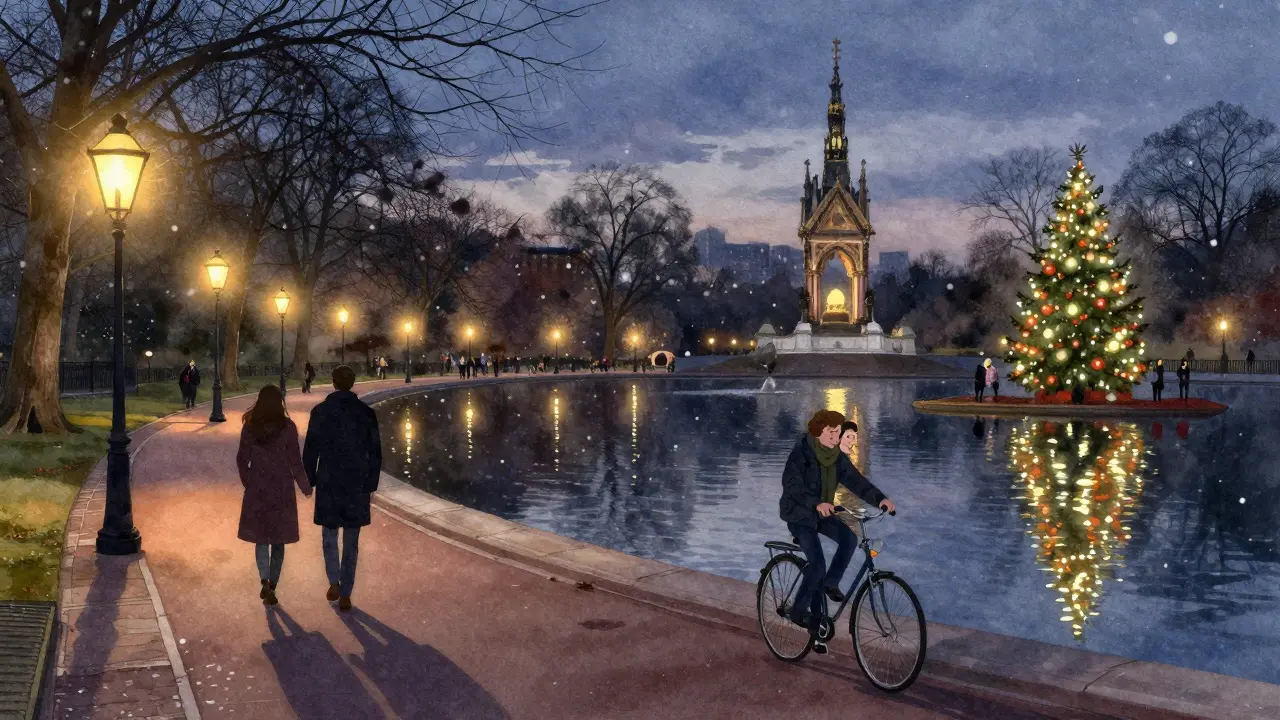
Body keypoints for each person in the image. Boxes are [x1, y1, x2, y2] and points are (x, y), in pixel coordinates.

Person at [779, 410, 896, 655]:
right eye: (831, 432)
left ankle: (829, 584)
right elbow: (792, 485)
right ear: (818, 432)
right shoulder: (801, 453)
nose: (836, 436)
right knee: (817, 564)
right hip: (799, 515)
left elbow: (856, 481)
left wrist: (881, 499)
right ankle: (798, 611)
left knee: (848, 538)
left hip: (822, 514)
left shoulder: (836, 457)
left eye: (837, 432)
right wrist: (816, 503)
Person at [303, 366, 382, 612]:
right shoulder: (366, 413)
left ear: (334, 382)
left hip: (329, 479)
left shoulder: (320, 412)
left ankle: (333, 581)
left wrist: (311, 479)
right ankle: (346, 591)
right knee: (351, 539)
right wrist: (371, 483)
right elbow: (375, 452)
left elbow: (310, 449)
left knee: (329, 535)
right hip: (356, 481)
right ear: (353, 382)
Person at [236, 384, 310, 605]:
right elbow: (295, 462)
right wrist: (305, 487)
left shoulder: (250, 426)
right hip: (282, 487)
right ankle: (274, 585)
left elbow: (241, 459)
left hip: (258, 486)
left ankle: (264, 580)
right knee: (279, 539)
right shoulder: (287, 427)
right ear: (280, 402)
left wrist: (249, 481)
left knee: (261, 538)